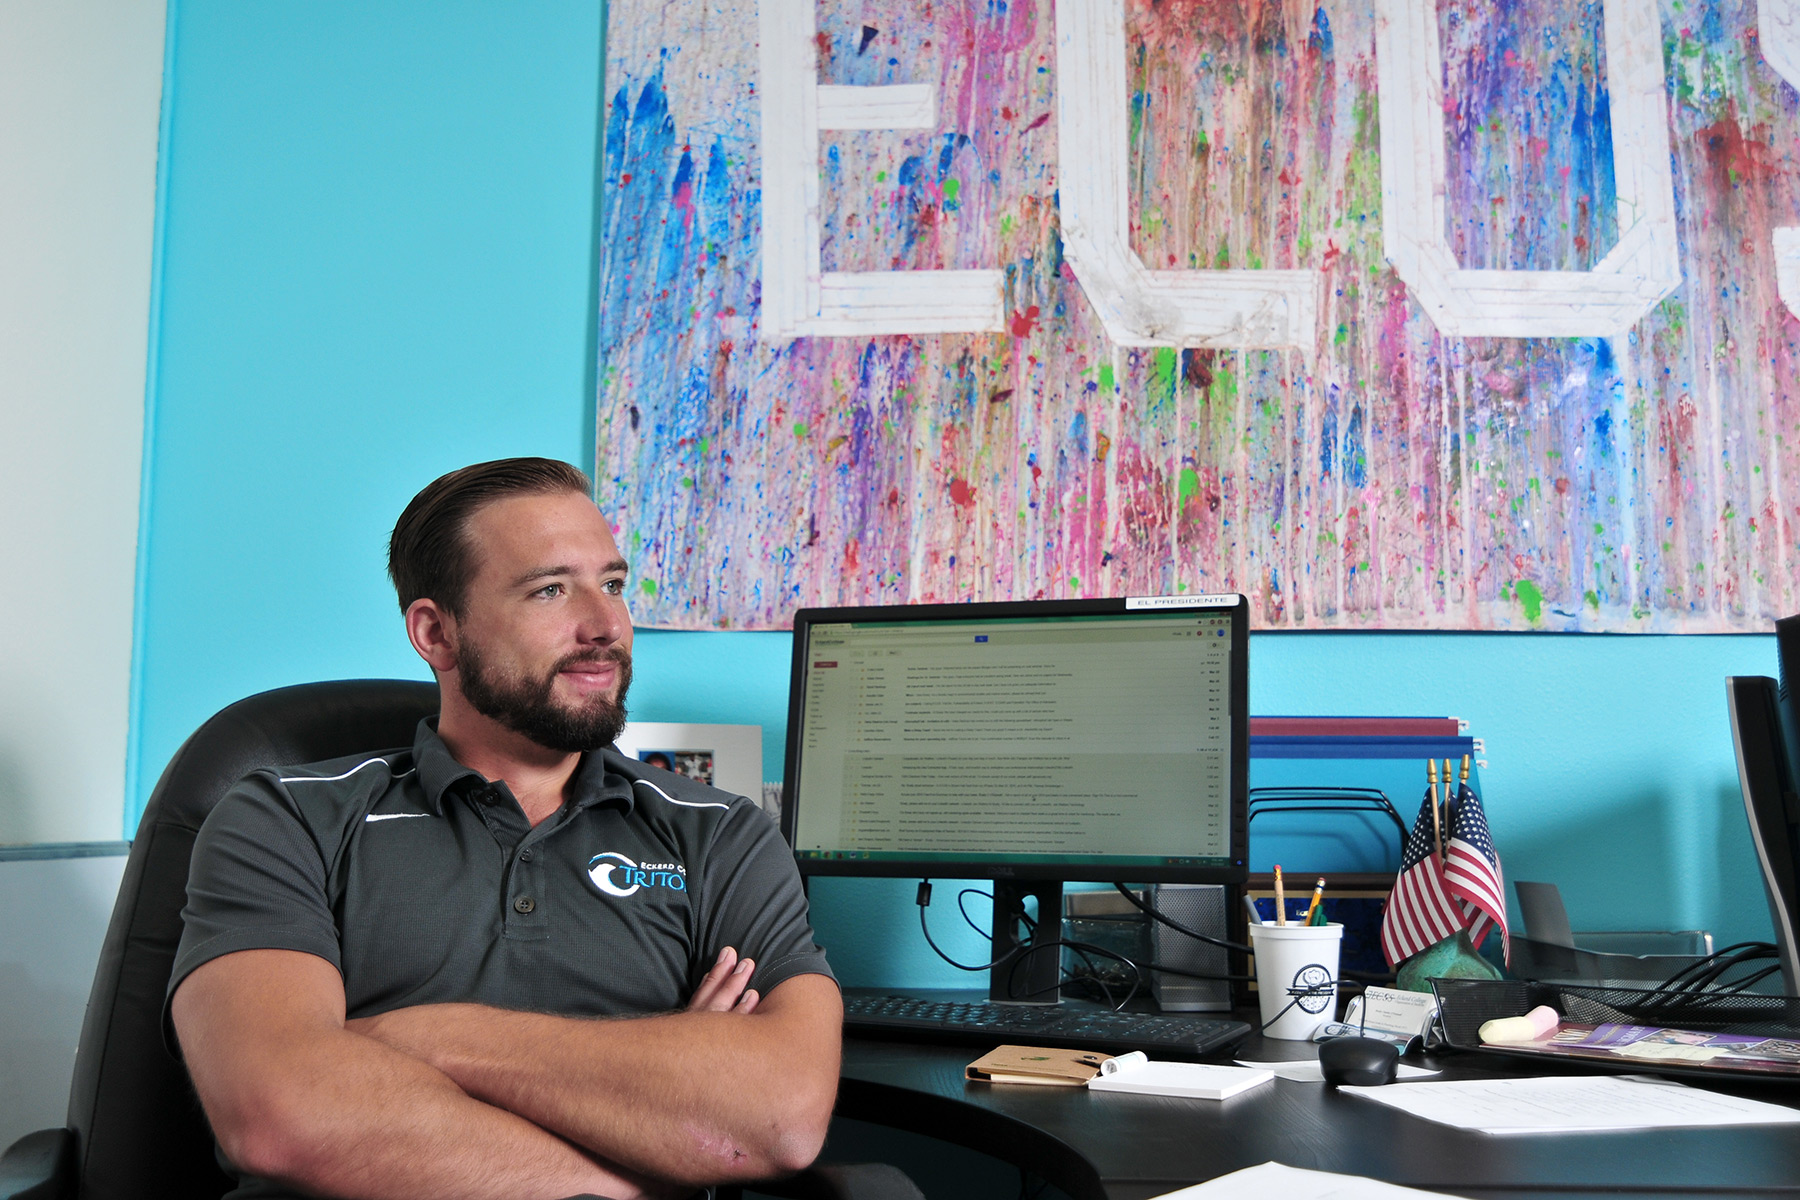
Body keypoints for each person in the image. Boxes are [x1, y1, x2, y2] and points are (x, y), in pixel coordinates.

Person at [167, 458, 841, 1200]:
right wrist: (654, 1136)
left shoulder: (720, 835)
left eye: (612, 584)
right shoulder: (287, 819)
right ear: (436, 633)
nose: (606, 625)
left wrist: (422, 1040)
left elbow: (780, 1119)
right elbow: (279, 1115)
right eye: (551, 589)